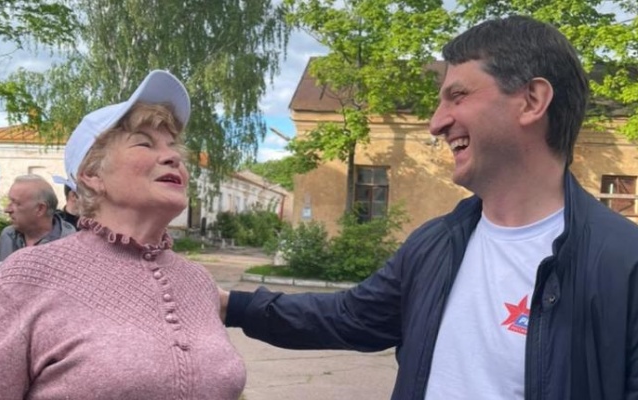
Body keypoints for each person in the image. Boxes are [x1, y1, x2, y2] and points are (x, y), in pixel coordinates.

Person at [221, 16, 638, 400]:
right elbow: (346, 316)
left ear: (532, 100)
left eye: (457, 96)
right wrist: (229, 305)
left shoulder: (624, 265)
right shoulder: (436, 243)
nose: (436, 123)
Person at [0, 70, 246, 399]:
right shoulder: (25, 276)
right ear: (92, 174)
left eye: (174, 146)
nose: (174, 157)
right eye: (144, 143)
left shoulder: (198, 281)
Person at [0, 174, 75, 262]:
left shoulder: (71, 244)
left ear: (40, 209)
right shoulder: (8, 235)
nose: (7, 210)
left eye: (16, 203)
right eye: (10, 201)